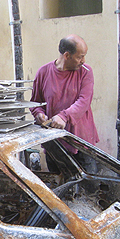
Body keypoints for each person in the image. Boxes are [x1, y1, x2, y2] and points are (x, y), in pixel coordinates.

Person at [30, 34, 99, 173]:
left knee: (89, 188)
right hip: (54, 142)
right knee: (59, 184)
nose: (83, 61)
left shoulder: (85, 72)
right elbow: (35, 102)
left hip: (81, 141)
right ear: (67, 56)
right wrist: (39, 114)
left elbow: (84, 101)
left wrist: (64, 116)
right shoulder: (43, 72)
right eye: (80, 57)